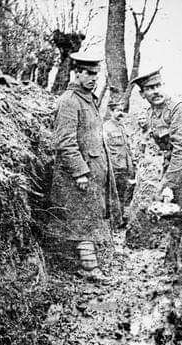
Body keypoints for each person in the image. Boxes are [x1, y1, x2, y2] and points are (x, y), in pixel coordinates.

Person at [46, 52, 121, 281]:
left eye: (96, 74)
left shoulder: (89, 99)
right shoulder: (69, 101)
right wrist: (80, 172)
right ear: (75, 73)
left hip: (92, 172)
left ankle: (88, 263)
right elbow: (65, 142)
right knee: (83, 221)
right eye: (88, 73)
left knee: (88, 218)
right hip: (78, 176)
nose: (93, 79)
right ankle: (89, 268)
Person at [131, 68, 182, 205]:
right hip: (175, 163)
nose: (156, 91)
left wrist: (168, 184)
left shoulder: (179, 108)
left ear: (163, 86)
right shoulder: (151, 113)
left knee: (180, 201)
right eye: (150, 88)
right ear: (142, 94)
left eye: (158, 86)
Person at [103, 100, 136, 218]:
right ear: (111, 111)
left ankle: (120, 218)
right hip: (114, 166)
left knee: (122, 193)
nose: (121, 113)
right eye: (118, 111)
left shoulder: (122, 126)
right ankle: (112, 219)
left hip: (125, 166)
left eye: (122, 110)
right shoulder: (106, 128)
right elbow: (104, 148)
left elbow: (127, 147)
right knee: (112, 194)